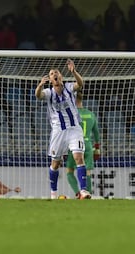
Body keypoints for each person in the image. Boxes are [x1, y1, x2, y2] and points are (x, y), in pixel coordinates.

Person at [35, 59, 91, 199]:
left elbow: (80, 84)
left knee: (79, 157)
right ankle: (53, 193)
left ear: (61, 77)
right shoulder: (48, 93)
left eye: (57, 73)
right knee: (55, 163)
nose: (54, 75)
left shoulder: (69, 87)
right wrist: (40, 85)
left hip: (74, 129)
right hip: (58, 131)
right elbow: (38, 95)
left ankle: (83, 190)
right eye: (52, 73)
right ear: (50, 79)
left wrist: (74, 72)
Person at [65, 91, 100, 198]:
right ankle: (86, 194)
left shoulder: (71, 114)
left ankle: (78, 193)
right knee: (87, 172)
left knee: (70, 171)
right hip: (88, 145)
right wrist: (97, 148)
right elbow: (96, 133)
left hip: (74, 145)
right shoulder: (91, 114)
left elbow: (66, 131)